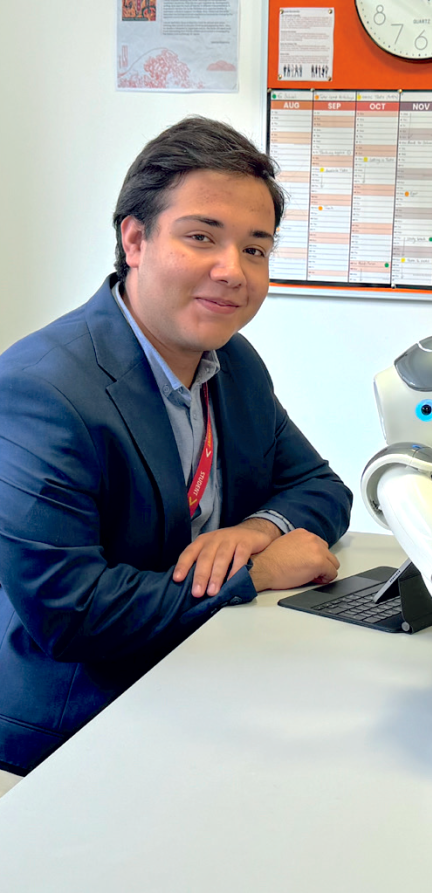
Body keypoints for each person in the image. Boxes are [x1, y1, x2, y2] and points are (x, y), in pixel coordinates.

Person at [0, 117, 353, 776]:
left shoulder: (234, 363)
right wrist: (256, 573)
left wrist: (255, 530)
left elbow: (322, 488)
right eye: (201, 237)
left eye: (255, 249)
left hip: (208, 668)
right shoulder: (41, 387)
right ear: (135, 239)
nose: (233, 271)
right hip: (79, 720)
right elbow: (72, 612)